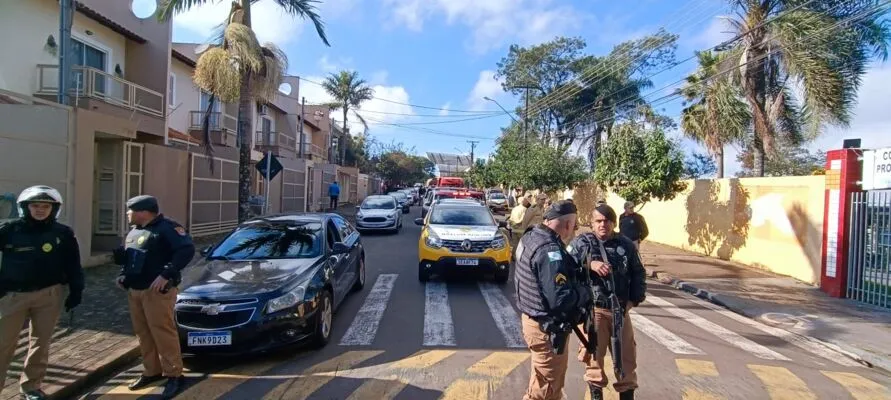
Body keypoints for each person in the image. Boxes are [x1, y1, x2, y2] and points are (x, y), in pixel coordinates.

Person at [0, 186, 84, 400]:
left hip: (49, 295)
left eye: (46, 206)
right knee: (3, 344)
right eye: (35, 205)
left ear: (54, 209)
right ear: (25, 207)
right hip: (12, 296)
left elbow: (73, 263)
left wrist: (76, 290)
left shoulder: (63, 233)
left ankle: (31, 386)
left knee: (41, 342)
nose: (40, 210)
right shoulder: (8, 230)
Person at [114, 195, 195, 399]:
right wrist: (124, 274)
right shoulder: (135, 232)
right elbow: (132, 258)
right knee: (143, 333)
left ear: (143, 211)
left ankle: (174, 374)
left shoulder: (168, 228)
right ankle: (151, 371)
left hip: (157, 291)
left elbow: (185, 251)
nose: (127, 214)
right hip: (136, 290)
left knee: (162, 331)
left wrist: (166, 274)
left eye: (130, 210)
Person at [567, 204, 647, 400]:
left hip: (620, 310)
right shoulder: (581, 243)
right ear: (592, 223)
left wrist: (633, 301)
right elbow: (565, 269)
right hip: (595, 311)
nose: (603, 225)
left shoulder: (626, 244)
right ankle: (596, 395)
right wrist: (589, 264)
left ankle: (627, 394)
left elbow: (638, 273)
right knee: (594, 359)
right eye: (599, 221)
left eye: (607, 221)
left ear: (614, 223)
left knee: (627, 359)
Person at [514, 200, 592, 400]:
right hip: (546, 328)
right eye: (574, 226)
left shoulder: (531, 236)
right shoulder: (550, 251)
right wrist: (584, 293)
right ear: (567, 225)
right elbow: (561, 300)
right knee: (547, 389)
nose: (574, 230)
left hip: (532, 319)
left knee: (540, 381)